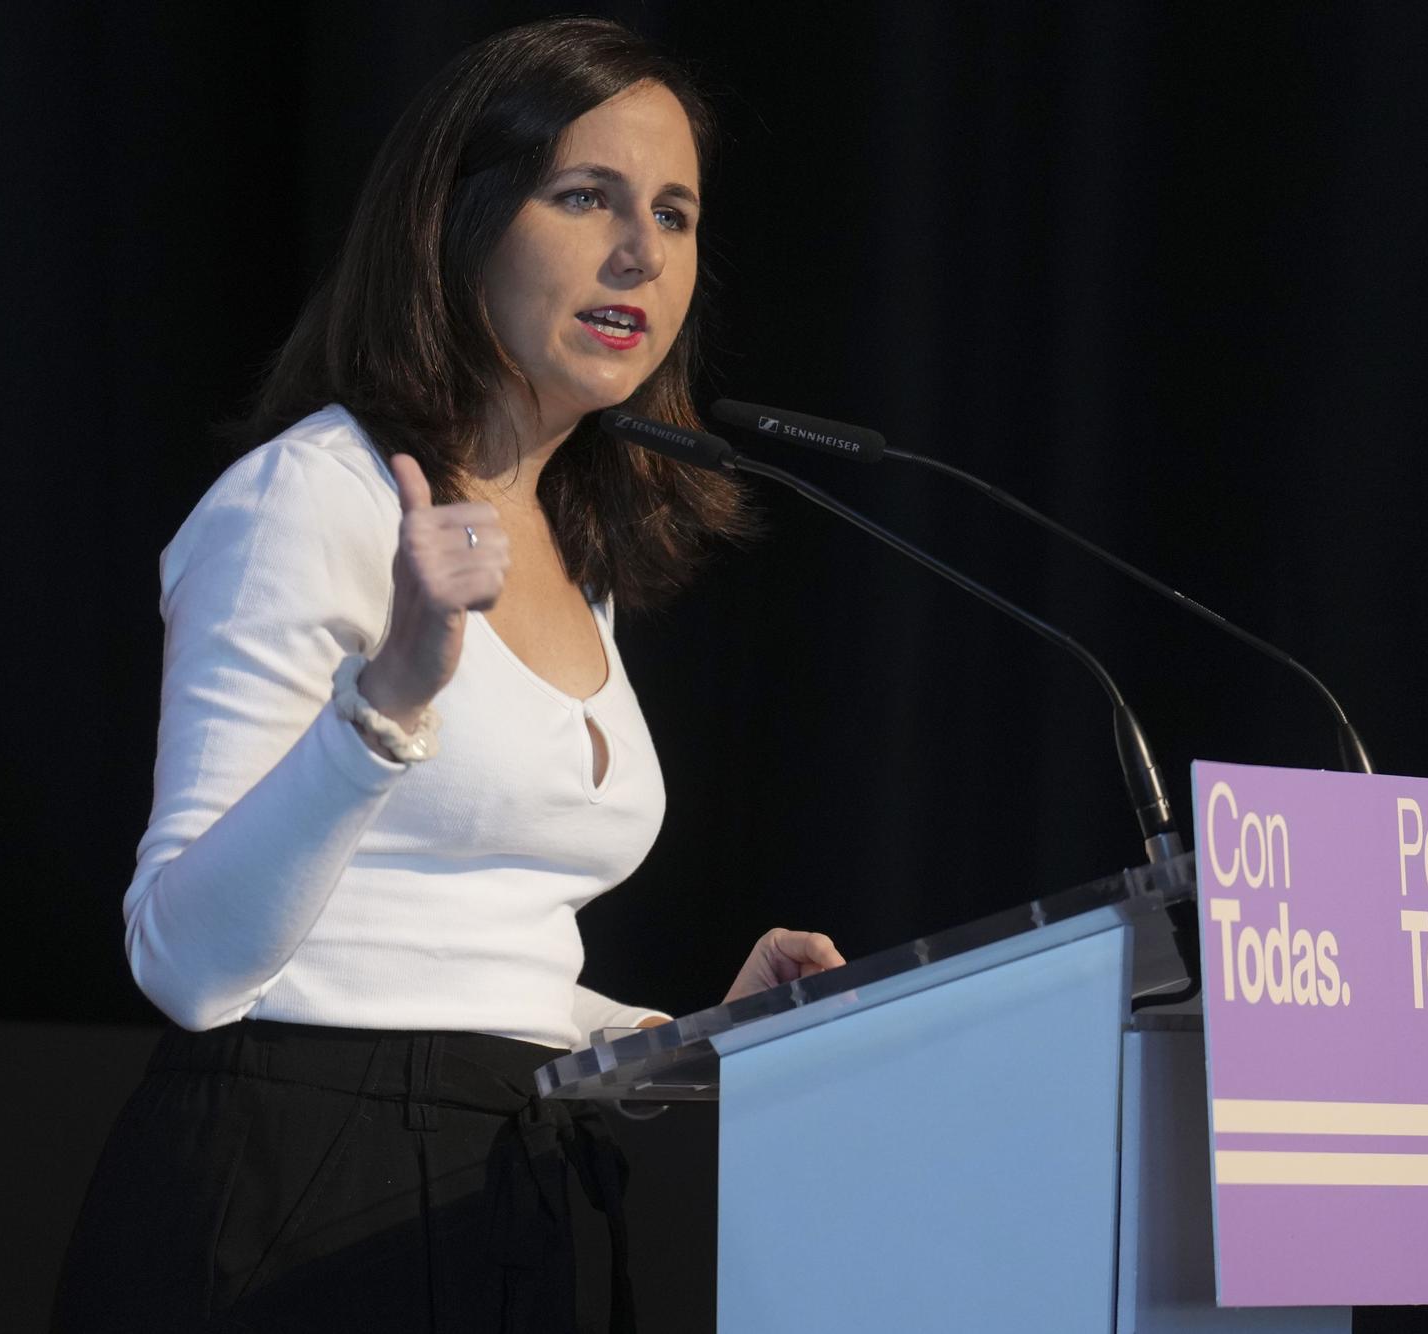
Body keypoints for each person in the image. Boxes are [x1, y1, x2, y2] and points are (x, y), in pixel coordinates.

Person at [51, 17, 844, 1332]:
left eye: (676, 212)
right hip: (290, 1196)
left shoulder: (568, 543)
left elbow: (456, 956)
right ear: (460, 218)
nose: (642, 253)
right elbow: (185, 961)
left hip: (502, 1188)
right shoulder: (305, 504)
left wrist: (687, 1031)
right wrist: (388, 703)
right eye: (585, 196)